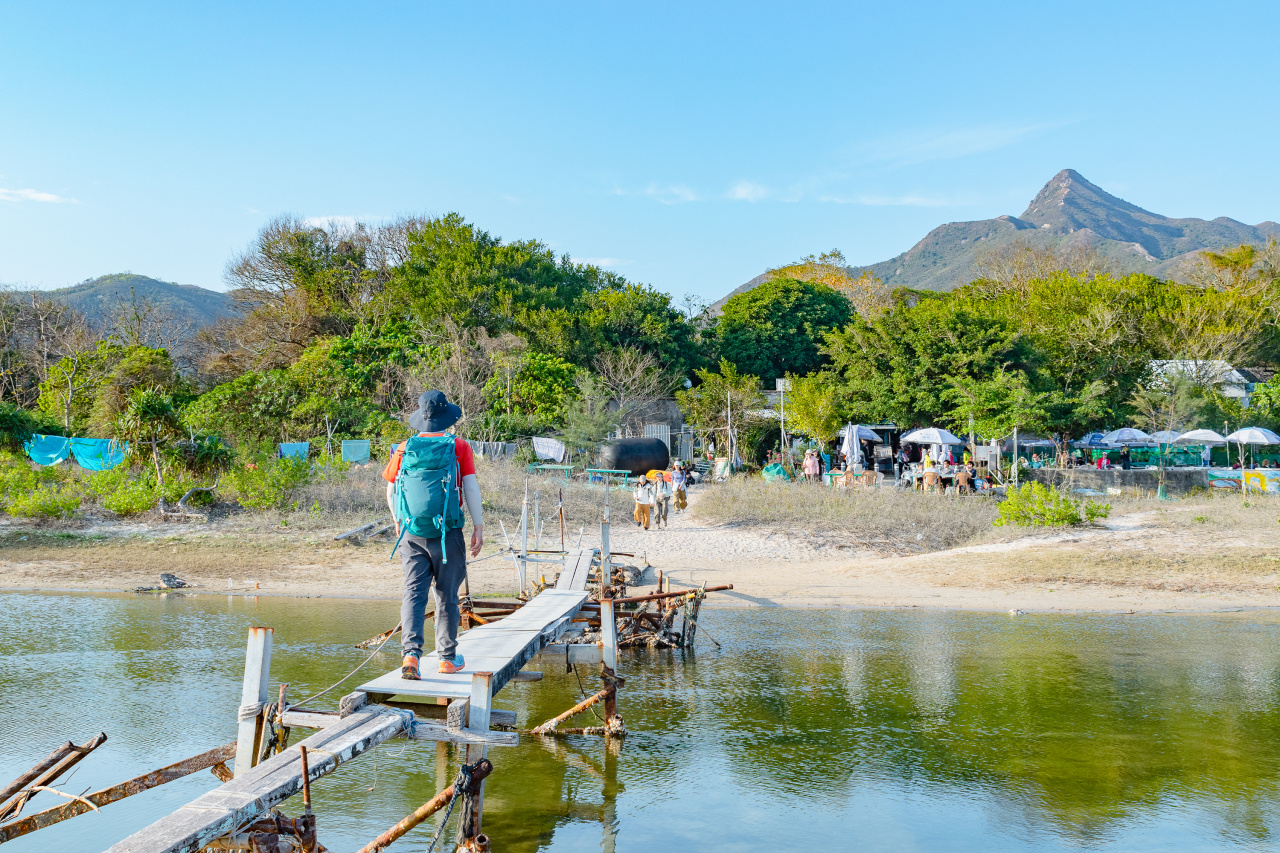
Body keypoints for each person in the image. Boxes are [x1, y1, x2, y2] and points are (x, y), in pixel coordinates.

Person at [383, 391, 483, 680]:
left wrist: (398, 520)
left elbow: (391, 489)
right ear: (446, 417)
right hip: (447, 533)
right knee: (447, 595)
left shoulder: (404, 448)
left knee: (414, 593)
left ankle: (410, 656)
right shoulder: (459, 446)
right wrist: (478, 526)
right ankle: (447, 659)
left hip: (412, 532)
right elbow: (471, 488)